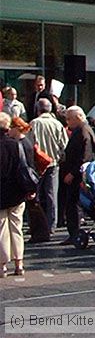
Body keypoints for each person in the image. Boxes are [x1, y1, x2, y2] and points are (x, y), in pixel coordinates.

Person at [25, 98, 68, 241]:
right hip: (53, 163)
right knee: (51, 196)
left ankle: (36, 226)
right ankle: (51, 226)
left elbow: (30, 144)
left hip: (37, 164)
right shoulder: (58, 124)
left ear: (38, 109)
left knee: (35, 196)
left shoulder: (34, 123)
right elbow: (64, 146)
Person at [59, 106, 95, 246]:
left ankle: (75, 233)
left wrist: (73, 173)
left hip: (79, 175)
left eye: (69, 119)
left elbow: (85, 156)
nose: (68, 122)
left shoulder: (82, 131)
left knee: (74, 203)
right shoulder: (82, 130)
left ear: (78, 118)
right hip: (79, 173)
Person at [0, 113, 32, 277]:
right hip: (17, 192)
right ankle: (19, 263)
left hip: (1, 193)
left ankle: (2, 265)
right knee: (16, 228)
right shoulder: (15, 145)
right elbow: (24, 167)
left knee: (1, 230)